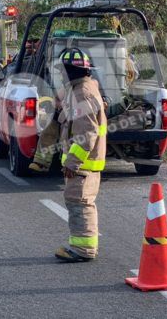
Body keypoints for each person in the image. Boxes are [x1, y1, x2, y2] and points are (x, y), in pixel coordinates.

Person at [53, 48, 107, 263]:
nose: (60, 74)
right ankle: (83, 247)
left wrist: (73, 162)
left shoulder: (82, 93)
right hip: (86, 162)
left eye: (62, 70)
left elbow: (87, 133)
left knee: (79, 203)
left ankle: (83, 249)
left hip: (84, 164)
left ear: (70, 71)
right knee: (79, 202)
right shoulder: (82, 88)